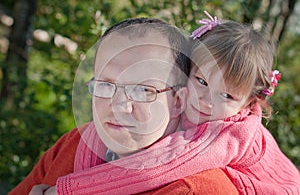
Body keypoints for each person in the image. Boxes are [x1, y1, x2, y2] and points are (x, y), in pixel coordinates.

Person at [36, 12, 300, 195]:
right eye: (202, 81)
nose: (205, 101)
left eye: (227, 96)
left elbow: (155, 167)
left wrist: (66, 189)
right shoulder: (73, 144)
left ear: (249, 103)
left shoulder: (227, 135)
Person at [10, 18, 239, 195]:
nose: (119, 106)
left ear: (178, 101)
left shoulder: (196, 190)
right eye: (106, 85)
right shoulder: (74, 144)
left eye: (142, 91)